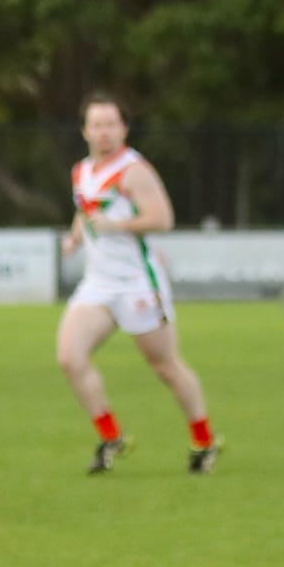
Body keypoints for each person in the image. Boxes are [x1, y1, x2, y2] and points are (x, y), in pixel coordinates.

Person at [58, 94, 217, 474]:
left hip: (138, 285)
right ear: (85, 130)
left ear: (124, 128)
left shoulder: (134, 171)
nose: (104, 132)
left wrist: (118, 226)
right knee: (70, 358)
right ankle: (112, 437)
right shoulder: (81, 171)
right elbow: (86, 209)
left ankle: (204, 441)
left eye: (111, 124)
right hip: (98, 284)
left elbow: (162, 219)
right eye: (96, 124)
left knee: (165, 366)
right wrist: (75, 237)